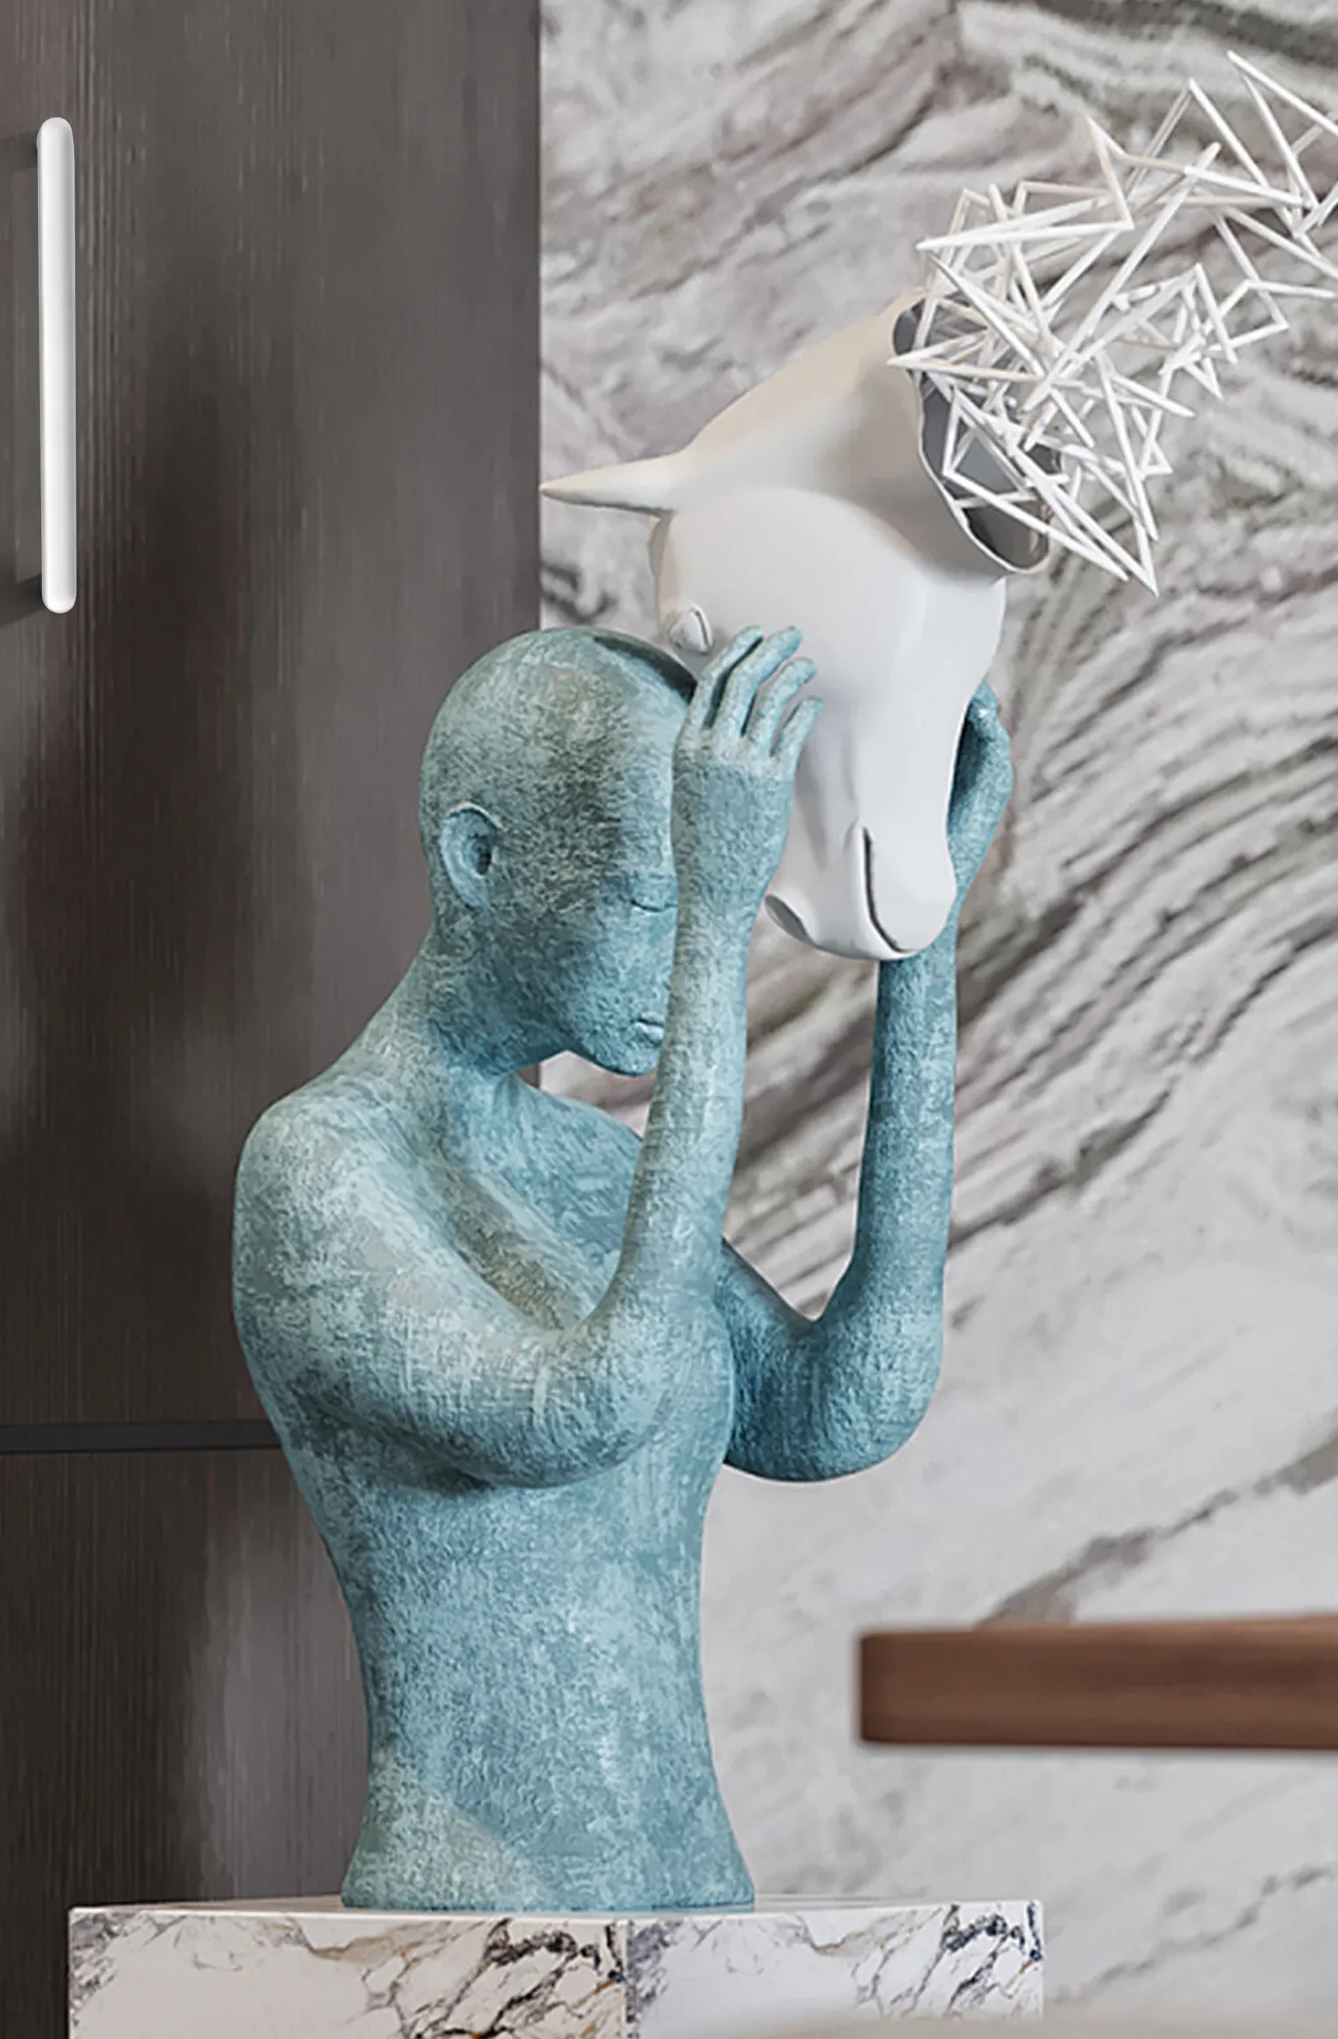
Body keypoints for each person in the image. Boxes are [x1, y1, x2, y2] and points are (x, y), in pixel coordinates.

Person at [232, 623, 1011, 1911]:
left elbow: (841, 1410)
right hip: (477, 1921)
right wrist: (718, 920)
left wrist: (918, 932)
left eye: (703, 913)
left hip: (696, 1900)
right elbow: (588, 1406)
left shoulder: (595, 1163)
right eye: (656, 901)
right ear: (479, 860)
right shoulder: (317, 1170)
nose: (686, 957)